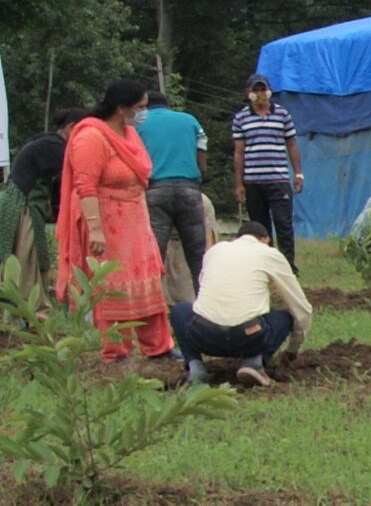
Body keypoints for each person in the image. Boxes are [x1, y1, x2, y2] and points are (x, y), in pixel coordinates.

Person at [57, 79, 176, 363]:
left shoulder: (128, 133)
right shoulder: (91, 136)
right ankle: (116, 349)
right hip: (106, 221)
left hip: (135, 218)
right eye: (140, 107)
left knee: (146, 281)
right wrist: (96, 229)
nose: (144, 113)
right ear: (121, 108)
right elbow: (85, 186)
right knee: (112, 283)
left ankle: (158, 345)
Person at [172, 221, 313, 388]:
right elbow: (301, 308)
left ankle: (195, 367)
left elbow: (203, 292)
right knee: (283, 317)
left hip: (203, 334)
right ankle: (254, 363)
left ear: (236, 238)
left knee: (179, 310)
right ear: (265, 239)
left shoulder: (215, 250)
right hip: (248, 336)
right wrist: (292, 349)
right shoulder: (269, 254)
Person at [0, 108, 83, 307]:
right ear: (72, 128)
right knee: (26, 257)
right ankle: (27, 305)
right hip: (20, 205)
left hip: (20, 203)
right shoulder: (55, 147)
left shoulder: (47, 141)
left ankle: (26, 303)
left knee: (33, 254)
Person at [139, 89, 211, 295]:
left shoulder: (137, 124)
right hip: (189, 189)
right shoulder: (189, 120)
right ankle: (205, 304)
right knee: (197, 256)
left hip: (154, 190)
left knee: (155, 255)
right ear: (167, 104)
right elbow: (202, 160)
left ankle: (153, 306)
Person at [231, 75, 303, 268]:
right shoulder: (241, 118)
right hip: (253, 181)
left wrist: (297, 173)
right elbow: (238, 152)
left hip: (278, 179)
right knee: (260, 228)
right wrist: (239, 183)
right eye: (256, 90)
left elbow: (292, 145)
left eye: (264, 90)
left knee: (284, 224)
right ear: (249, 93)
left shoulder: (282, 114)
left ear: (269, 91)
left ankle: (288, 266)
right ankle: (264, 265)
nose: (261, 94)